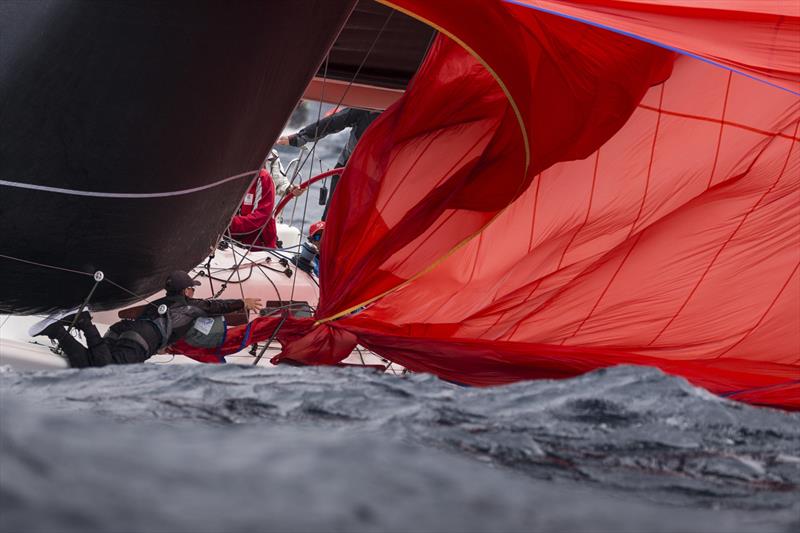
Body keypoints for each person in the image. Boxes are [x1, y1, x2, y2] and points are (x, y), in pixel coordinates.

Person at [29, 271, 262, 368]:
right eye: (192, 288)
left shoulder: (157, 304)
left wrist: (162, 345)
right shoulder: (191, 307)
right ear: (186, 291)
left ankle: (55, 329)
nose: (193, 291)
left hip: (123, 331)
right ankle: (83, 321)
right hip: (141, 340)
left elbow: (152, 323)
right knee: (103, 369)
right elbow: (216, 306)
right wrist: (244, 303)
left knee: (91, 363)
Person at [276, 107, 380, 219]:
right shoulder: (366, 109)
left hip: (382, 179)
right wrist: (298, 138)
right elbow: (334, 122)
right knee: (333, 218)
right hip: (348, 171)